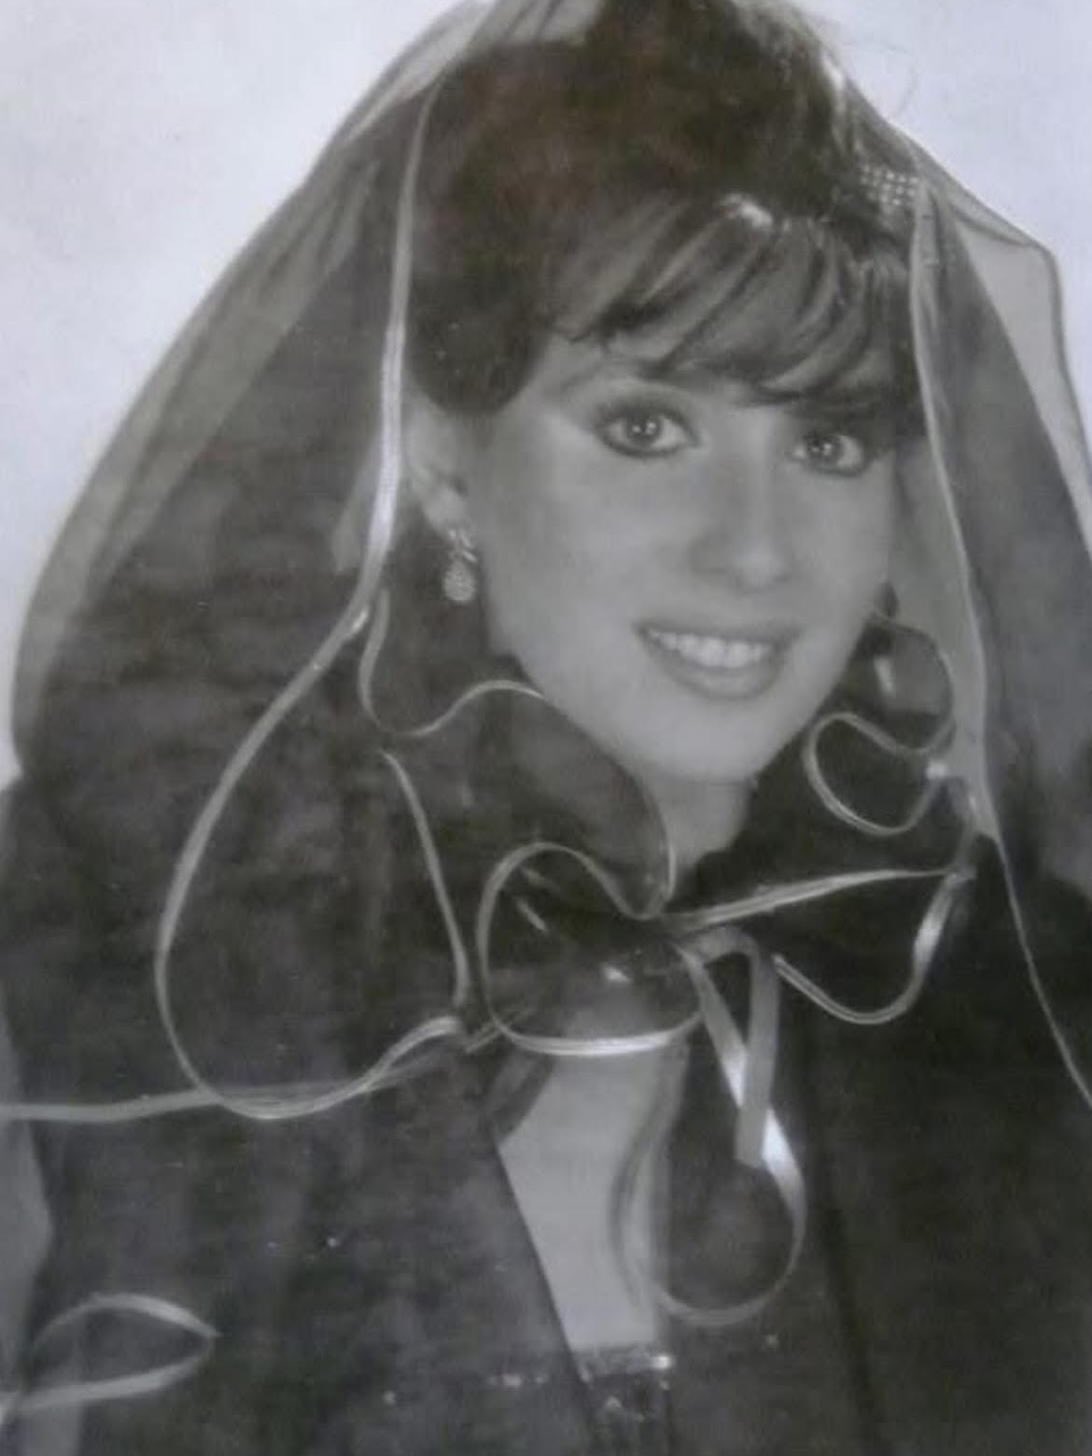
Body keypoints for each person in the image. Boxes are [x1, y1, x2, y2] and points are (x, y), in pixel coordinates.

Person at [3, 0, 1092, 1451]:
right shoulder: (132, 964)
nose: (755, 550)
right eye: (647, 428)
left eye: (828, 441)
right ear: (443, 461)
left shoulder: (1002, 994)